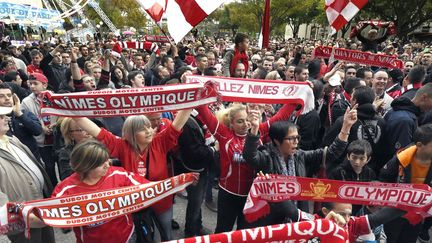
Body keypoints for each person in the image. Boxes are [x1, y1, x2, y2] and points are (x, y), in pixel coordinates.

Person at [72, 108, 192, 240]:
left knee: (166, 232)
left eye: (149, 127)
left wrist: (193, 101)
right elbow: (99, 133)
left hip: (161, 201)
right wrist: (71, 113)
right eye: (142, 129)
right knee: (145, 236)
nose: (149, 131)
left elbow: (177, 125)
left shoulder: (160, 141)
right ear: (131, 134)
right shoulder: (122, 146)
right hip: (136, 206)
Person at [195, 102, 299, 233]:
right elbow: (204, 112)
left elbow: (281, 116)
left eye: (247, 120)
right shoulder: (223, 134)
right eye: (240, 121)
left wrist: (297, 98)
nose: (245, 124)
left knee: (244, 232)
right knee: (223, 230)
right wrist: (196, 93)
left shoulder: (258, 131)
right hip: (228, 194)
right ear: (231, 123)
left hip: (251, 195)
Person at [52, 139, 148, 243]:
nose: (107, 165)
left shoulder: (119, 174)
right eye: (101, 163)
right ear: (85, 166)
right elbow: (48, 214)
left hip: (126, 237)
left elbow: (150, 189)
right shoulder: (66, 189)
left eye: (107, 159)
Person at [0, 105, 55, 243]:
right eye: (1, 117)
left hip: (40, 208)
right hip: (23, 222)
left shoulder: (11, 140)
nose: (6, 119)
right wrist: (22, 217)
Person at [380, 124, 432, 242]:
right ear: (419, 145)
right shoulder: (400, 159)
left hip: (418, 213)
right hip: (394, 211)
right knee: (391, 238)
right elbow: (383, 179)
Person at [22, 73, 58, 186]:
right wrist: (41, 128)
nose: (32, 86)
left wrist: (56, 124)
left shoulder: (55, 97)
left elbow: (63, 116)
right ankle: (53, 189)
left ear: (44, 85)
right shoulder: (26, 102)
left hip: (57, 139)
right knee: (49, 167)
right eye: (30, 84)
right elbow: (28, 120)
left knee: (62, 166)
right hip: (41, 141)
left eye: (35, 84)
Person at [0, 83, 42, 160]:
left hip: (32, 159)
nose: (7, 98)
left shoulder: (24, 113)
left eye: (9, 95)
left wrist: (20, 114)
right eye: (1, 96)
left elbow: (38, 131)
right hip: (11, 160)